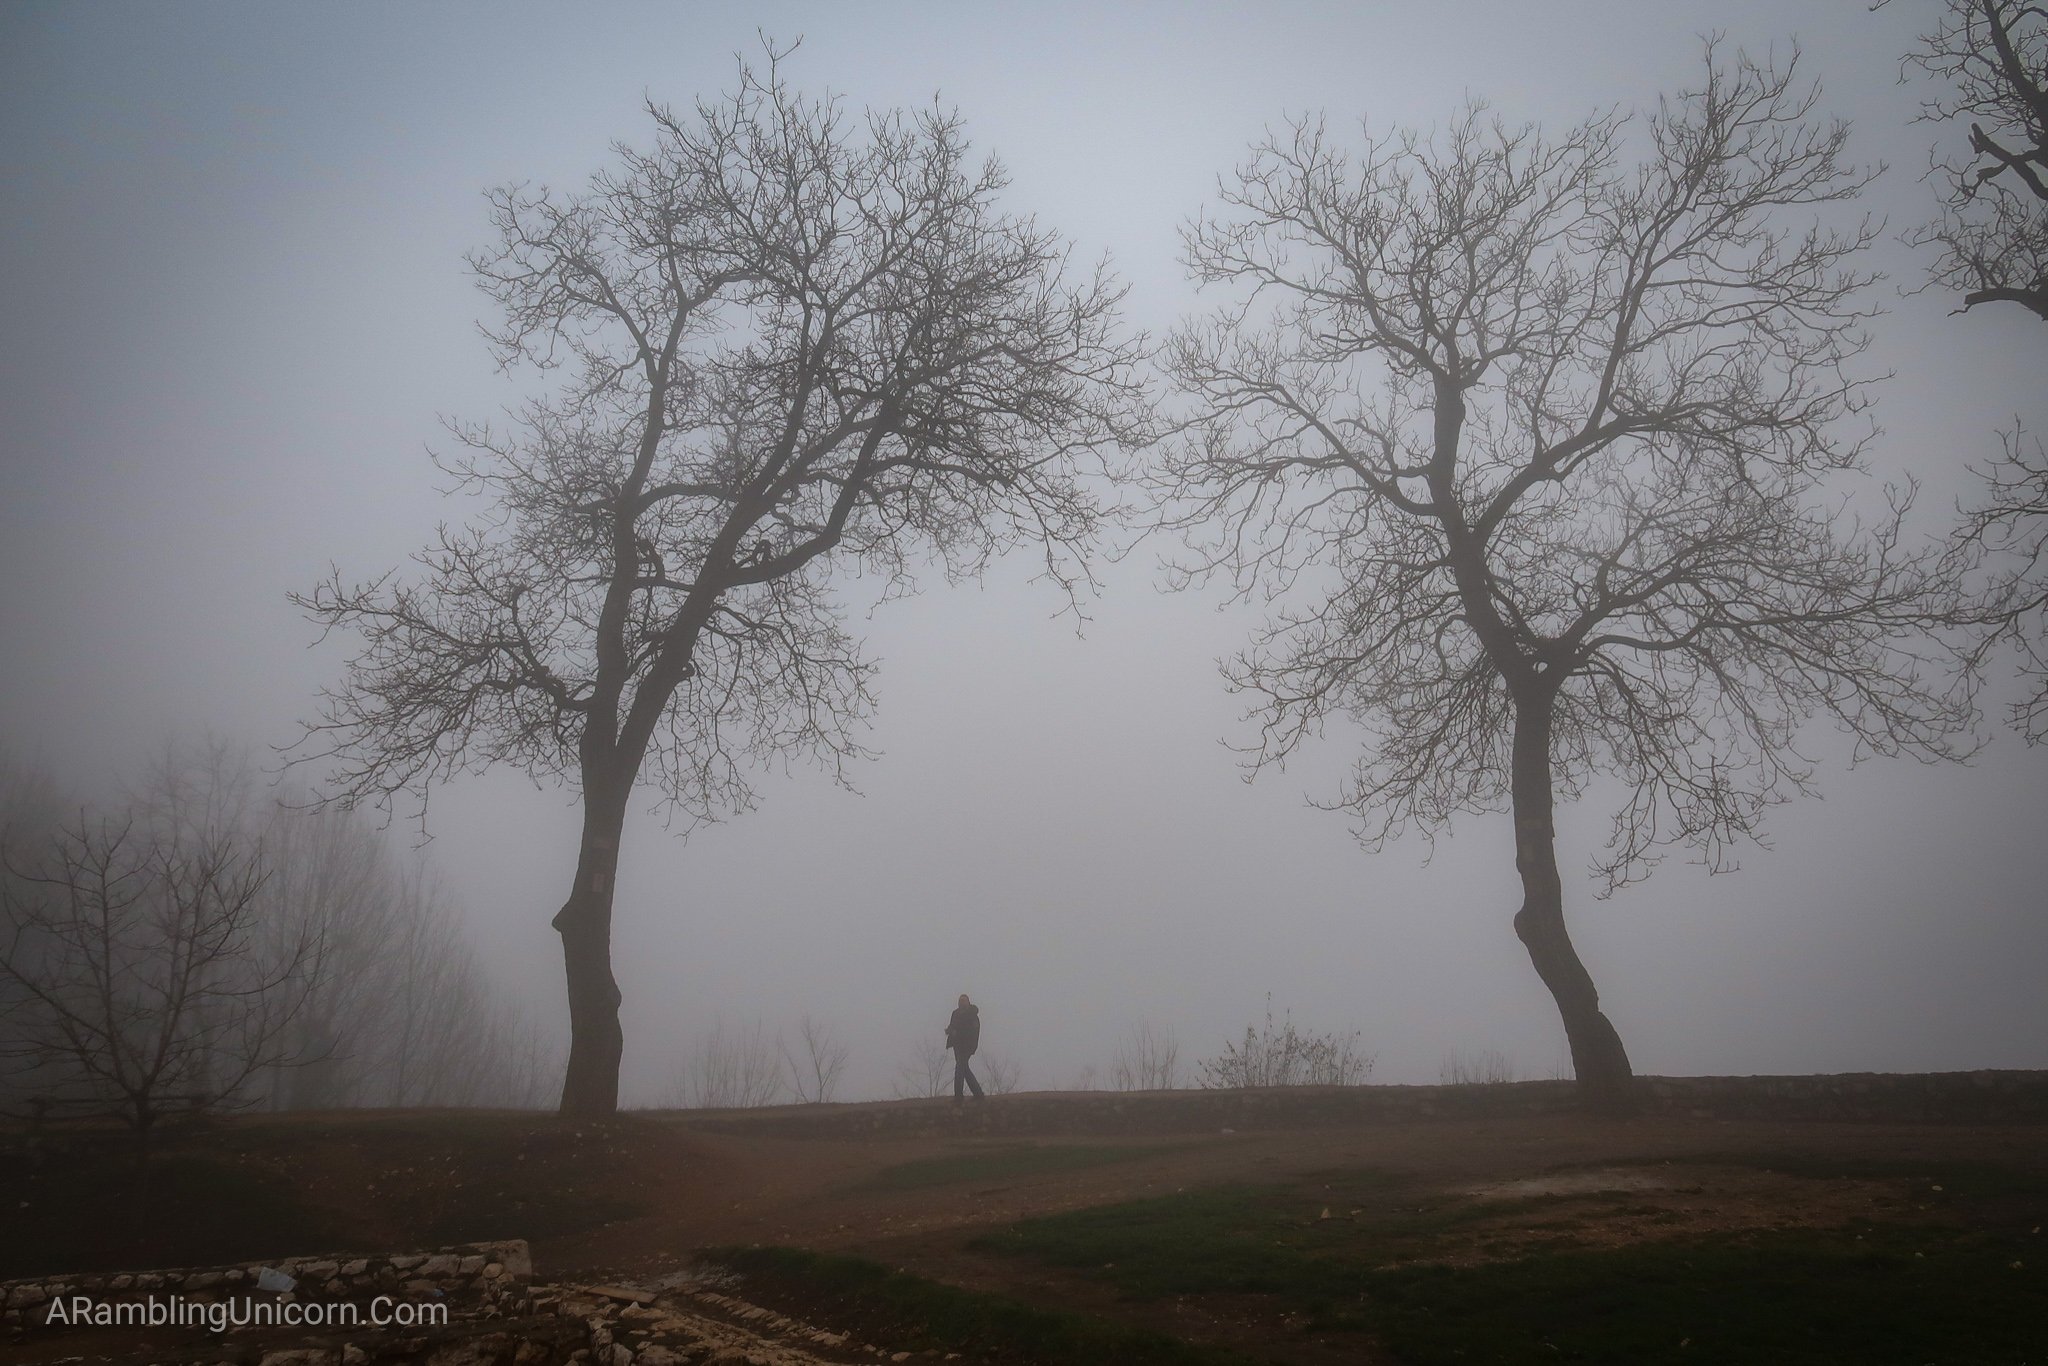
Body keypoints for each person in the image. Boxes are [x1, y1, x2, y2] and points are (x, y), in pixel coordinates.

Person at [944, 993, 984, 1100]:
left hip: (967, 1046)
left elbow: (973, 1032)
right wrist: (949, 1031)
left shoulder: (972, 1015)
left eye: (964, 1000)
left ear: (968, 1002)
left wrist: (958, 1033)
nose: (961, 1002)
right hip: (957, 1045)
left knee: (959, 1068)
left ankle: (958, 1096)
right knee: (964, 1069)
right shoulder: (955, 1014)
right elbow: (952, 1026)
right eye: (960, 1000)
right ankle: (979, 1094)